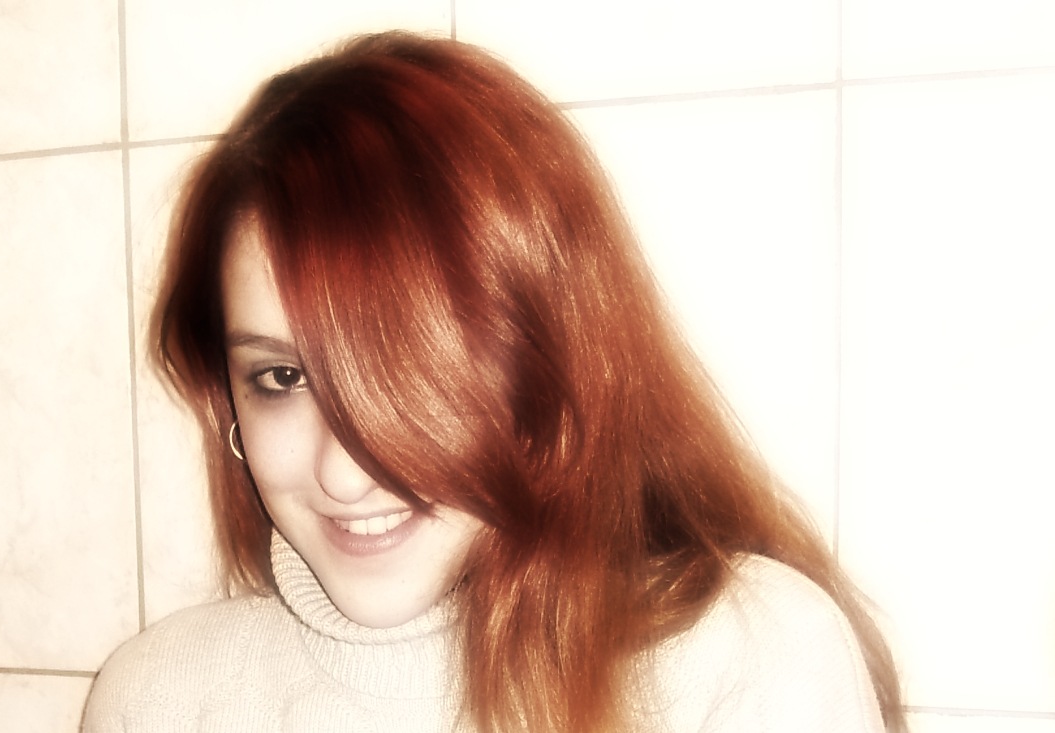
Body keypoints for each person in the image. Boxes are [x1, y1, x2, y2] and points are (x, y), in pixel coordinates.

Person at [83, 31, 904, 732]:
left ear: (552, 362)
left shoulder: (744, 658)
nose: (344, 471)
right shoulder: (158, 698)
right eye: (282, 375)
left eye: (412, 363)